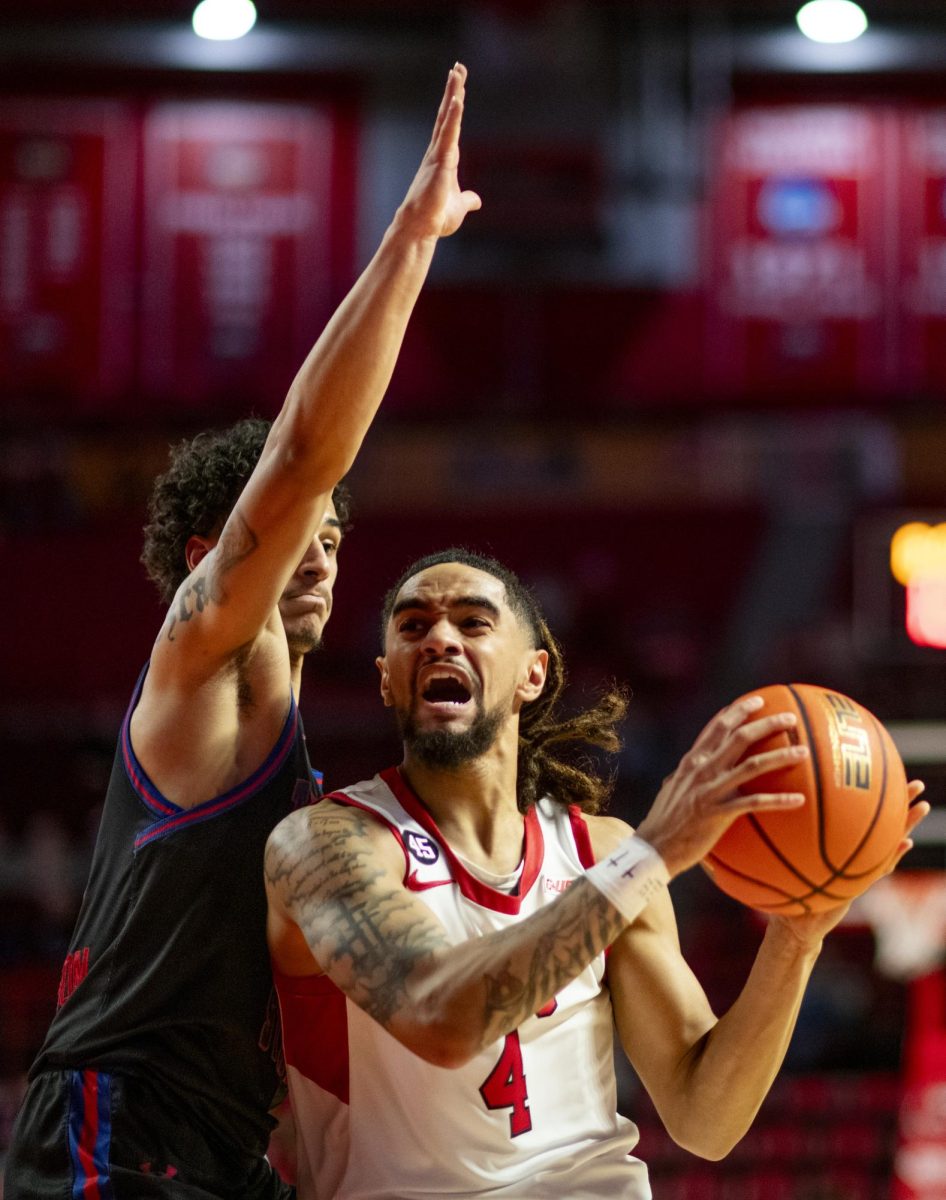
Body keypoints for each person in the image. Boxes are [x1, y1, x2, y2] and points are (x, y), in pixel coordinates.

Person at [4, 66, 481, 1200]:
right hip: (114, 1128)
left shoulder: (288, 739)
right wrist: (408, 246)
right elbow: (308, 454)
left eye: (333, 536)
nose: (318, 546)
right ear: (201, 560)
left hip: (218, 1149)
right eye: (291, 533)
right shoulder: (205, 656)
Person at [265, 547, 928, 1200]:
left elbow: (706, 1119)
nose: (439, 637)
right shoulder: (325, 844)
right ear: (386, 677)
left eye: (473, 622)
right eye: (413, 626)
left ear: (533, 674)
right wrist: (653, 855)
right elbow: (438, 1018)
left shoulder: (600, 850)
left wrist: (796, 940)